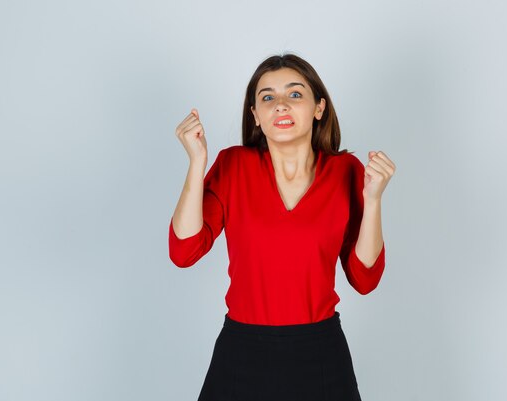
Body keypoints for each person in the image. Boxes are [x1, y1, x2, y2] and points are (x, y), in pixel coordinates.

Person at [168, 53, 396, 401]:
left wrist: (375, 200)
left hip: (320, 355)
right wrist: (197, 162)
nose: (280, 106)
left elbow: (364, 278)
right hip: (241, 354)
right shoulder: (233, 166)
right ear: (255, 115)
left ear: (319, 108)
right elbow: (184, 250)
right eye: (267, 97)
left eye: (294, 94)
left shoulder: (345, 172)